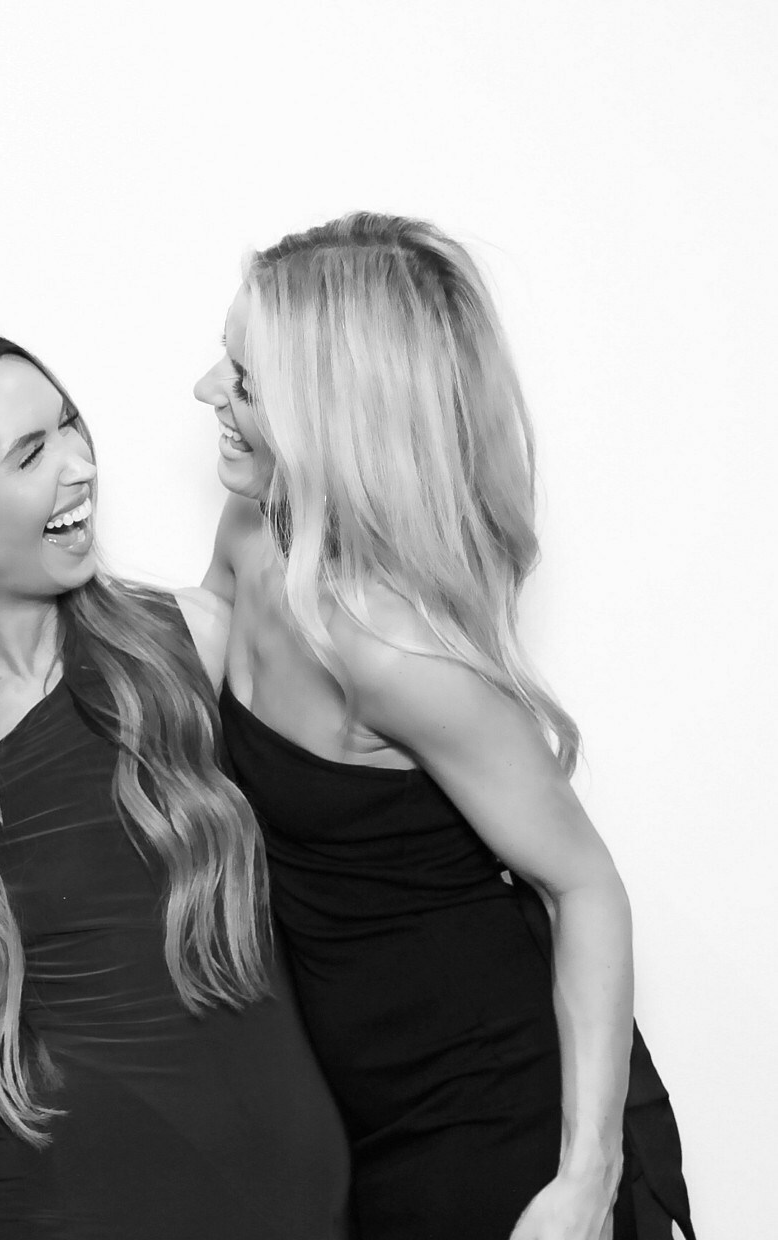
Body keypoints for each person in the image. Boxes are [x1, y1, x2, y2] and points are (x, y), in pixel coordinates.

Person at [194, 212, 694, 1239]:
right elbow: (185, 645)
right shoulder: (253, 529)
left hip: (491, 1123)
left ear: (327, 414)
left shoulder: (394, 655)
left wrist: (584, 1181)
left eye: (242, 380)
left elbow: (584, 886)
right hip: (355, 1116)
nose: (206, 392)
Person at [0, 328, 351, 1239]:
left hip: (291, 1187)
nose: (81, 466)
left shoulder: (190, 642)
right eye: (31, 453)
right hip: (64, 1203)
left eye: (68, 426)